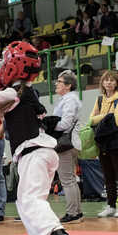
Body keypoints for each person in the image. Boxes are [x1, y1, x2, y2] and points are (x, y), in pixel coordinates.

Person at [0, 41, 75, 235]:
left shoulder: (13, 92)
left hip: (35, 152)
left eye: (3, 61)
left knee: (31, 200)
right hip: (40, 152)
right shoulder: (26, 92)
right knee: (24, 202)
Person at [90, 70, 118, 218]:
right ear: (102, 83)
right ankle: (110, 205)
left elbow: (116, 120)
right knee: (108, 176)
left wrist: (101, 118)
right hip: (103, 141)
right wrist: (106, 116)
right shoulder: (100, 99)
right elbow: (91, 119)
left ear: (116, 83)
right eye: (106, 80)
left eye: (112, 80)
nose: (109, 82)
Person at [52, 71, 83, 224]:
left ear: (68, 85)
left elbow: (65, 123)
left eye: (59, 81)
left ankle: (72, 213)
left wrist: (48, 125)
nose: (56, 84)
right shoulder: (68, 99)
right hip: (71, 142)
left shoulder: (69, 100)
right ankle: (77, 212)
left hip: (66, 143)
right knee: (71, 179)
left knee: (67, 180)